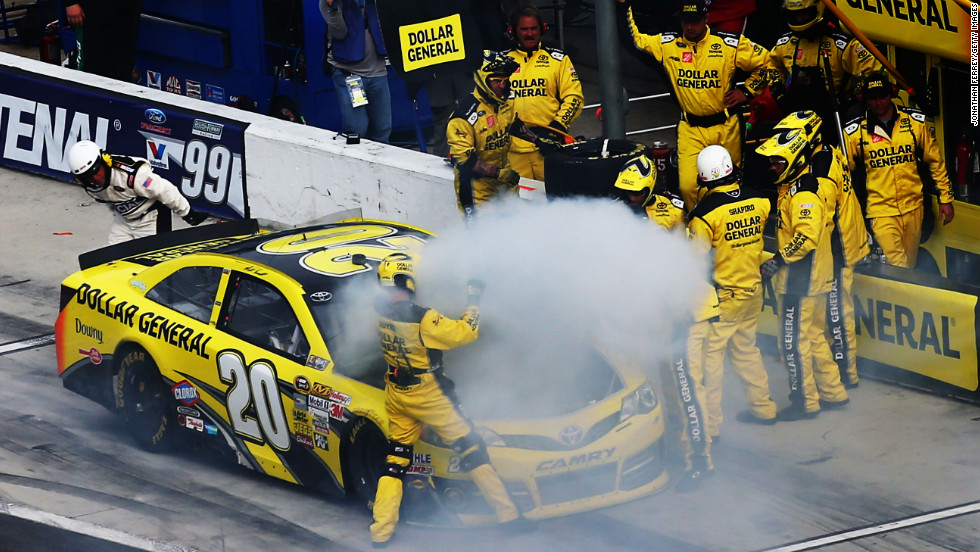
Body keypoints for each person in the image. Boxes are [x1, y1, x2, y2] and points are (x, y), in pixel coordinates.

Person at [369, 253, 531, 547]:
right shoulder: (424, 318)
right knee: (473, 449)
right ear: (407, 279)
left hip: (396, 392)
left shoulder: (379, 312)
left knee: (395, 460)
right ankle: (509, 518)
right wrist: (474, 299)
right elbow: (465, 333)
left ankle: (381, 533)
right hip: (429, 394)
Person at [613, 157, 715, 491]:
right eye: (626, 193)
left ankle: (700, 460)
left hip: (679, 313)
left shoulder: (671, 210)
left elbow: (687, 260)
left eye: (636, 194)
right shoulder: (613, 215)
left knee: (687, 391)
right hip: (648, 315)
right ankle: (675, 444)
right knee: (661, 389)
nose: (630, 199)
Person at [619, 0, 771, 211]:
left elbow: (770, 63)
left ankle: (723, 232)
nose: (689, 27)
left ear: (706, 19)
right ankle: (698, 229)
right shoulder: (667, 44)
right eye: (685, 22)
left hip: (726, 127)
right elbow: (635, 40)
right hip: (690, 129)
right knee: (689, 187)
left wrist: (747, 91)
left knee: (728, 186)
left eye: (695, 22)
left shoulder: (730, 44)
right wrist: (625, 6)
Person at [757, 115, 849, 420]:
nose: (772, 167)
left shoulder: (804, 193)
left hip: (801, 281)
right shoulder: (800, 185)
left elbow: (806, 238)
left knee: (792, 344)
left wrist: (777, 260)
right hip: (813, 278)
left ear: (794, 160)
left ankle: (804, 403)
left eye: (778, 162)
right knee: (813, 337)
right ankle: (834, 393)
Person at [687, 145, 779, 432]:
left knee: (710, 361)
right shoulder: (760, 200)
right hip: (754, 292)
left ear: (703, 179)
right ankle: (763, 407)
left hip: (724, 298)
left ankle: (711, 427)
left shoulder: (704, 214)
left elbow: (694, 260)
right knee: (747, 351)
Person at [779, 111, 868, 388]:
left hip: (837, 251)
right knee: (833, 316)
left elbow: (820, 225)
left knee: (837, 315)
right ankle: (836, 377)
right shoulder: (828, 149)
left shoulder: (820, 176)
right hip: (846, 242)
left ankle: (845, 376)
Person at [843, 73, 955, 269]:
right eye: (873, 98)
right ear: (865, 100)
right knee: (897, 266)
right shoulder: (855, 132)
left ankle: (906, 298)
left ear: (892, 94)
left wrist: (945, 198)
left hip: (914, 207)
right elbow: (843, 175)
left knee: (908, 265)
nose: (878, 102)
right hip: (880, 211)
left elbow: (935, 162)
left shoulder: (915, 123)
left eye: (882, 96)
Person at [448, 50, 558, 223]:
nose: (502, 86)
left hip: (505, 183)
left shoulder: (504, 103)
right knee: (482, 239)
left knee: (515, 230)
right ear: (483, 80)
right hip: (477, 192)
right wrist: (499, 173)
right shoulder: (463, 117)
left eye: (505, 81)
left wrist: (538, 141)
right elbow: (464, 161)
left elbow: (514, 124)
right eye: (496, 81)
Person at [766, 0, 881, 144]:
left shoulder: (842, 43)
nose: (800, 19)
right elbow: (772, 65)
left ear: (817, 10)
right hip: (796, 118)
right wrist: (778, 90)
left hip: (835, 118)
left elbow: (873, 72)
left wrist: (855, 96)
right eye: (795, 15)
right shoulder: (785, 43)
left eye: (804, 14)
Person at [67, 140, 208, 245]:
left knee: (152, 266)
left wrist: (187, 213)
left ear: (105, 161)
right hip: (124, 221)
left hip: (151, 219)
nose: (94, 179)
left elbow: (165, 190)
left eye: (95, 172)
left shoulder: (134, 176)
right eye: (86, 177)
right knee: (111, 262)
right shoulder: (90, 185)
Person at [505, 5, 585, 181]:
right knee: (517, 204)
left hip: (549, 147)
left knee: (553, 201)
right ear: (513, 31)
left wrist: (557, 128)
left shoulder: (558, 60)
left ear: (542, 29)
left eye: (534, 28)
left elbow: (575, 97)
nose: (529, 33)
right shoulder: (500, 62)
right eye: (524, 29)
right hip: (512, 149)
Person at [321, 0, 392, 143]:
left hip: (378, 72)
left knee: (382, 128)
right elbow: (339, 32)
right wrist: (332, 6)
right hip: (350, 74)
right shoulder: (326, 3)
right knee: (357, 129)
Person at [64, 0, 143, 82]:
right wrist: (71, 3)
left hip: (125, 14)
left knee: (122, 70)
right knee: (91, 71)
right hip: (92, 14)